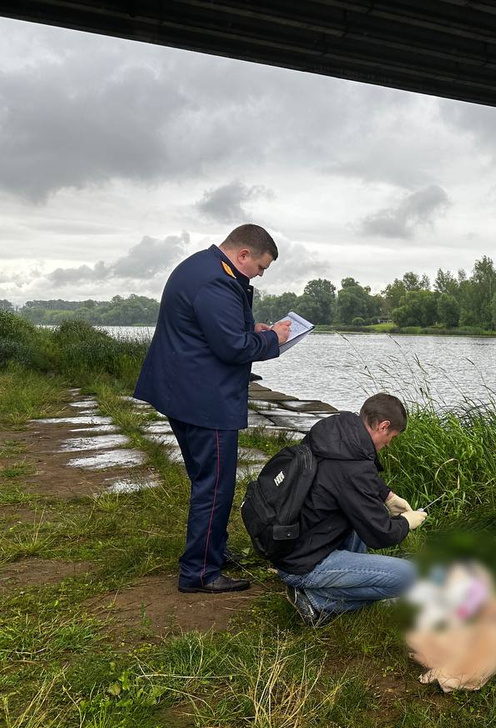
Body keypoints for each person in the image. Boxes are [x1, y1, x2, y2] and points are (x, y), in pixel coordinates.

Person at [134, 224, 293, 594]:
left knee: (207, 481)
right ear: (243, 256)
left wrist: (249, 326)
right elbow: (232, 349)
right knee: (215, 487)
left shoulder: (199, 266)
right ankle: (200, 572)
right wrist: (272, 338)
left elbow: (208, 327)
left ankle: (211, 552)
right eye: (261, 267)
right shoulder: (218, 281)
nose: (260, 274)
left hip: (183, 392)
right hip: (205, 400)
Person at [270, 392, 427, 627]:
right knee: (411, 577)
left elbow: (347, 480)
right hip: (303, 564)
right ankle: (315, 599)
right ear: (383, 426)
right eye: (391, 437)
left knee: (357, 517)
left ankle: (344, 580)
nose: (389, 444)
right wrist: (406, 522)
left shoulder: (333, 429)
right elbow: (380, 534)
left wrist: (387, 495)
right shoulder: (353, 467)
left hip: (291, 545)